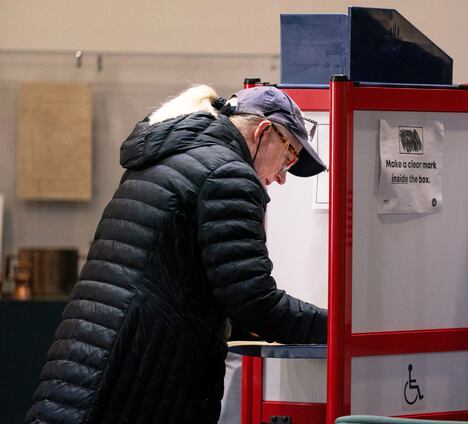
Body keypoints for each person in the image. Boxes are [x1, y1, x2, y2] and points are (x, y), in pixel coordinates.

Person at [26, 85, 328, 424]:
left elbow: (198, 285)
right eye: (288, 156)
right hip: (136, 380)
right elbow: (252, 300)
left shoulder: (169, 156)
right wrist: (337, 327)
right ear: (262, 132)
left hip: (85, 366)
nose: (283, 177)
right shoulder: (228, 175)